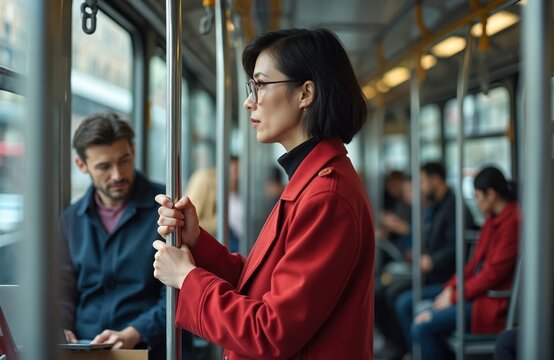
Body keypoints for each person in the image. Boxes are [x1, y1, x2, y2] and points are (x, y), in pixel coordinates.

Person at [152, 28, 374, 359]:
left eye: (260, 85)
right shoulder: (310, 180)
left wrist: (188, 279)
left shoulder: (327, 196)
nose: (248, 101)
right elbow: (264, 287)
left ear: (305, 94)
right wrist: (197, 241)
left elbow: (271, 332)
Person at [59, 113, 166, 359]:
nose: (117, 175)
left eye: (124, 160)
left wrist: (133, 332)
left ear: (134, 150)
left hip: (148, 348)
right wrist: (60, 327)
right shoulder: (71, 220)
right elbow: (62, 291)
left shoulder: (165, 209)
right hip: (85, 348)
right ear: (81, 165)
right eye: (104, 166)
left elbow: (177, 294)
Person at [396, 166, 520, 359]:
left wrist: (454, 296)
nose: (476, 202)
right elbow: (472, 265)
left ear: (491, 195)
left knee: (422, 326)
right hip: (474, 294)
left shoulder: (512, 223)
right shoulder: (491, 220)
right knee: (414, 311)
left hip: (490, 303)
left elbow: (492, 274)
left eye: (477, 196)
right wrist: (450, 288)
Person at [374, 162, 476, 359]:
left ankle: (411, 351)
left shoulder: (454, 208)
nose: (419, 186)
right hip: (429, 271)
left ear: (436, 180)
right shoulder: (436, 207)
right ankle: (402, 347)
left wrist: (432, 260)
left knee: (400, 299)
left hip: (443, 275)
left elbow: (456, 247)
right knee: (383, 291)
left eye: (422, 181)